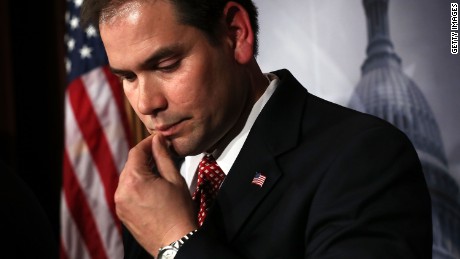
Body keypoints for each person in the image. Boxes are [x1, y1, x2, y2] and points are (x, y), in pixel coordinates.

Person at [81, 0, 432, 258]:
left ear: (236, 35)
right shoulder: (150, 185)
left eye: (167, 65)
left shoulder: (364, 157)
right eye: (127, 77)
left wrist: (176, 241)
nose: (145, 103)